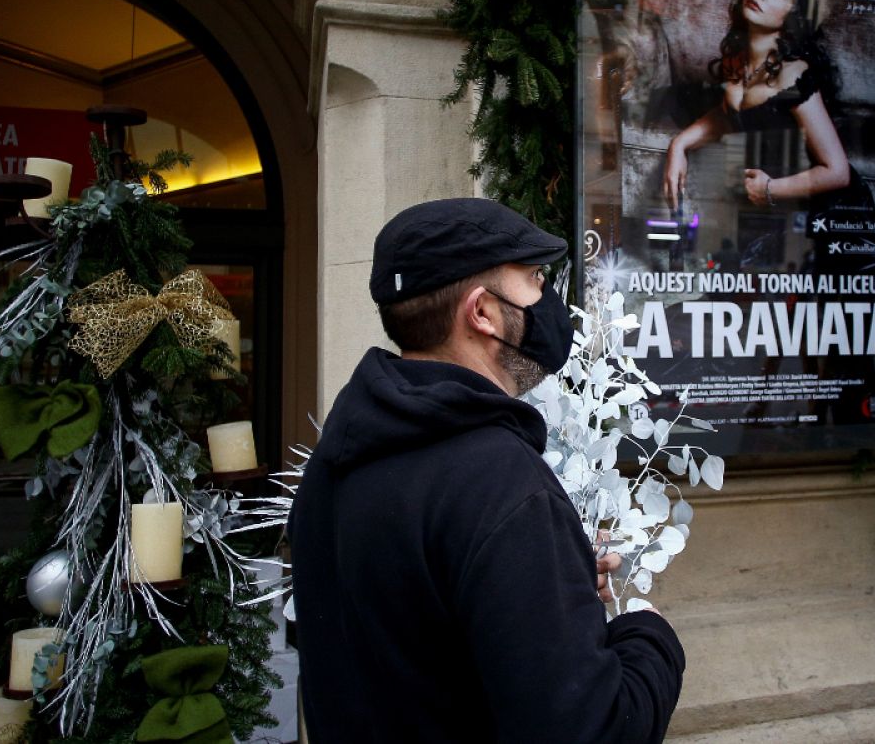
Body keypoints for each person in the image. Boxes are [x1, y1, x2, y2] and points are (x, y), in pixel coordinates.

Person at [287, 198, 686, 743]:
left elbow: (415, 639)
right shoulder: (500, 482)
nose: (550, 301)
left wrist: (548, 586)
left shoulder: (335, 462)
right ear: (482, 312)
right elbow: (594, 731)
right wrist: (649, 635)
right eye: (535, 280)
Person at [660, 0, 875, 268]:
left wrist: (770, 189)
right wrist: (680, 143)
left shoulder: (792, 74)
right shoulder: (738, 61)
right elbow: (730, 114)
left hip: (831, 215)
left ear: (791, 12)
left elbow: (838, 171)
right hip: (783, 212)